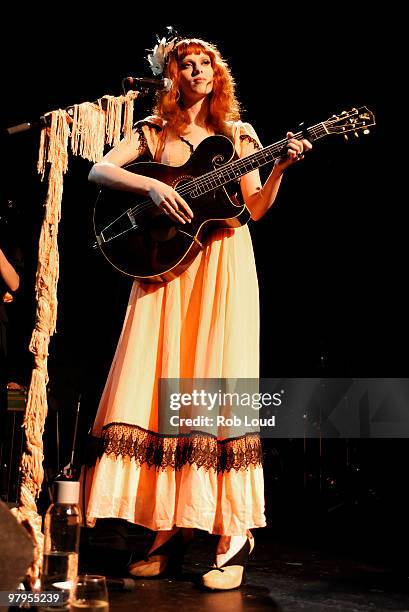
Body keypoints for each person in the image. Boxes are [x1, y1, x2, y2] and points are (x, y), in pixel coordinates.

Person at [84, 35, 312, 590]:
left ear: (217, 74)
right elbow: (98, 171)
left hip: (221, 266)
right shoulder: (153, 132)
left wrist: (279, 167)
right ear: (172, 75)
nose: (197, 69)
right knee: (158, 383)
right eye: (186, 63)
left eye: (205, 62)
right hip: (166, 264)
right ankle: (169, 528)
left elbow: (253, 207)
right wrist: (150, 188)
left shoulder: (239, 136)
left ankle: (231, 533)